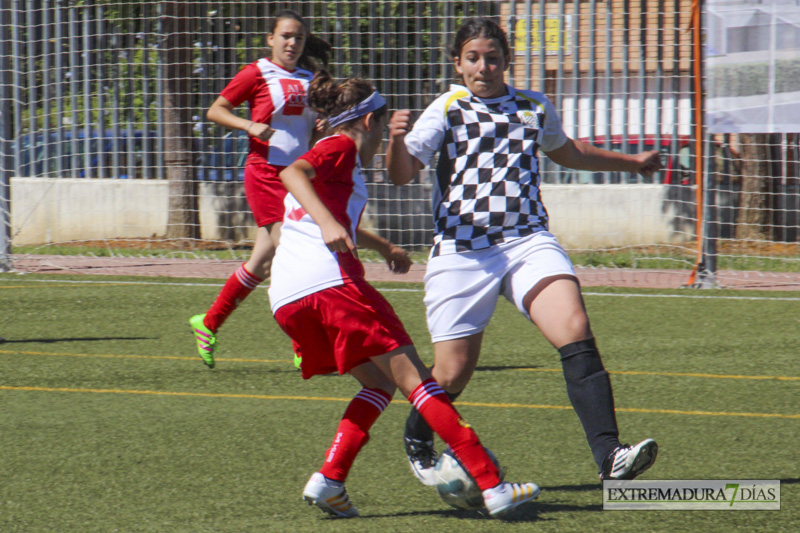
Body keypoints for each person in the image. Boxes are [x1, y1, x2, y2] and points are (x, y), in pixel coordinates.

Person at [385, 17, 661, 485]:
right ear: (458, 63)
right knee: (451, 375)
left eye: (493, 58)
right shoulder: (448, 107)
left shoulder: (532, 106)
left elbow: (569, 151)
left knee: (574, 327)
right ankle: (418, 435)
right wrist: (394, 138)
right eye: (473, 58)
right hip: (462, 251)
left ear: (506, 62)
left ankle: (609, 455)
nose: (484, 67)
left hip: (526, 242)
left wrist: (631, 162)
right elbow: (402, 173)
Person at [271, 71, 541, 518]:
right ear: (367, 123)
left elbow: (325, 209)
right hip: (330, 285)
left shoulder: (338, 161)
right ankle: (491, 485)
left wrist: (381, 246)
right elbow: (291, 173)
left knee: (378, 383)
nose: (380, 141)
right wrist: (328, 224)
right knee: (419, 381)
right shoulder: (338, 148)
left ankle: (329, 481)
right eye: (381, 127)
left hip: (288, 297)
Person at [190, 10, 330, 369]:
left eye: (298, 37)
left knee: (261, 262)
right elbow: (216, 110)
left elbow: (309, 135)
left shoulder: (310, 78)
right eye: (285, 36)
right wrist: (249, 125)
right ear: (270, 38)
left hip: (298, 178)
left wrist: (322, 130)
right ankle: (305, 345)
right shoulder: (256, 72)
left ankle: (208, 323)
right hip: (266, 175)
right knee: (292, 258)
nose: (292, 43)